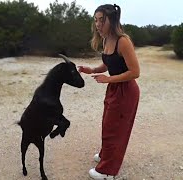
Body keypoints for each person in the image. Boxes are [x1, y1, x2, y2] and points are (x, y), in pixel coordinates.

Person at [78, 4, 140, 179]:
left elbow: (135, 72)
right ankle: (106, 155)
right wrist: (92, 70)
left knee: (116, 128)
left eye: (101, 20)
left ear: (111, 20)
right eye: (96, 20)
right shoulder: (106, 40)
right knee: (108, 124)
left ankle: (107, 172)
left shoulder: (123, 41)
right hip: (114, 88)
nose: (98, 24)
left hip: (126, 91)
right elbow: (108, 64)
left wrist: (108, 79)